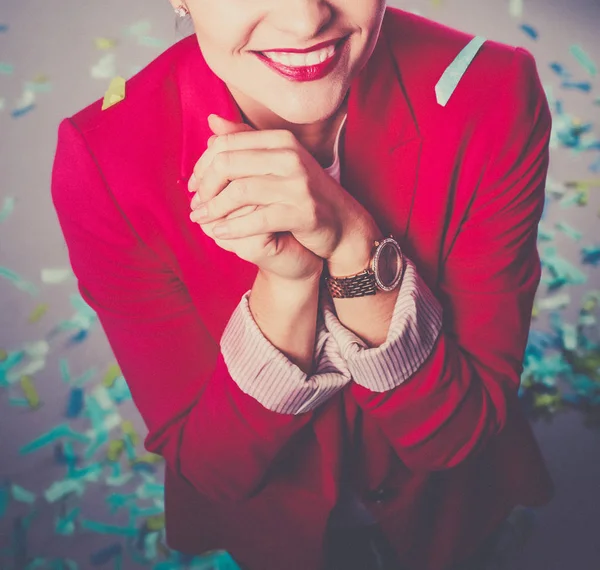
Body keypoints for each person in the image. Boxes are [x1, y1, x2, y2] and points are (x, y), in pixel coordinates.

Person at [50, 1, 555, 569]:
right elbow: (215, 469)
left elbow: (456, 435)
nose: (305, 20)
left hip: (447, 515)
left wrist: (352, 243)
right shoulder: (103, 158)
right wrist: (288, 283)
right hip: (277, 535)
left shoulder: (493, 90)